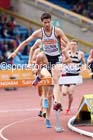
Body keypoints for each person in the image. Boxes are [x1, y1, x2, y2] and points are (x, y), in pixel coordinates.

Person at [8, 12, 70, 127]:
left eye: (48, 22)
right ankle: (38, 76)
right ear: (42, 22)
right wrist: (15, 52)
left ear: (50, 21)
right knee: (40, 55)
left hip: (56, 59)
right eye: (45, 22)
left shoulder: (57, 31)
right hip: (46, 59)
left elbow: (68, 43)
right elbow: (26, 42)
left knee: (55, 82)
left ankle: (56, 103)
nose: (47, 24)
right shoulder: (39, 34)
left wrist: (64, 50)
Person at [28, 39, 53, 127]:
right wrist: (32, 66)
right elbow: (33, 60)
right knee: (41, 94)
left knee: (49, 95)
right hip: (41, 70)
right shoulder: (37, 51)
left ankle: (45, 114)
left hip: (50, 72)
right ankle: (42, 108)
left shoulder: (54, 51)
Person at [61, 39, 86, 114]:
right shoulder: (67, 53)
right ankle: (59, 103)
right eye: (71, 44)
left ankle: (68, 108)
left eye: (74, 44)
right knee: (64, 93)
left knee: (70, 92)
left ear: (77, 45)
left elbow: (84, 63)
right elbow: (62, 62)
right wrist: (66, 62)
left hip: (75, 76)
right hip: (66, 75)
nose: (72, 46)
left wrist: (84, 68)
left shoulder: (80, 54)